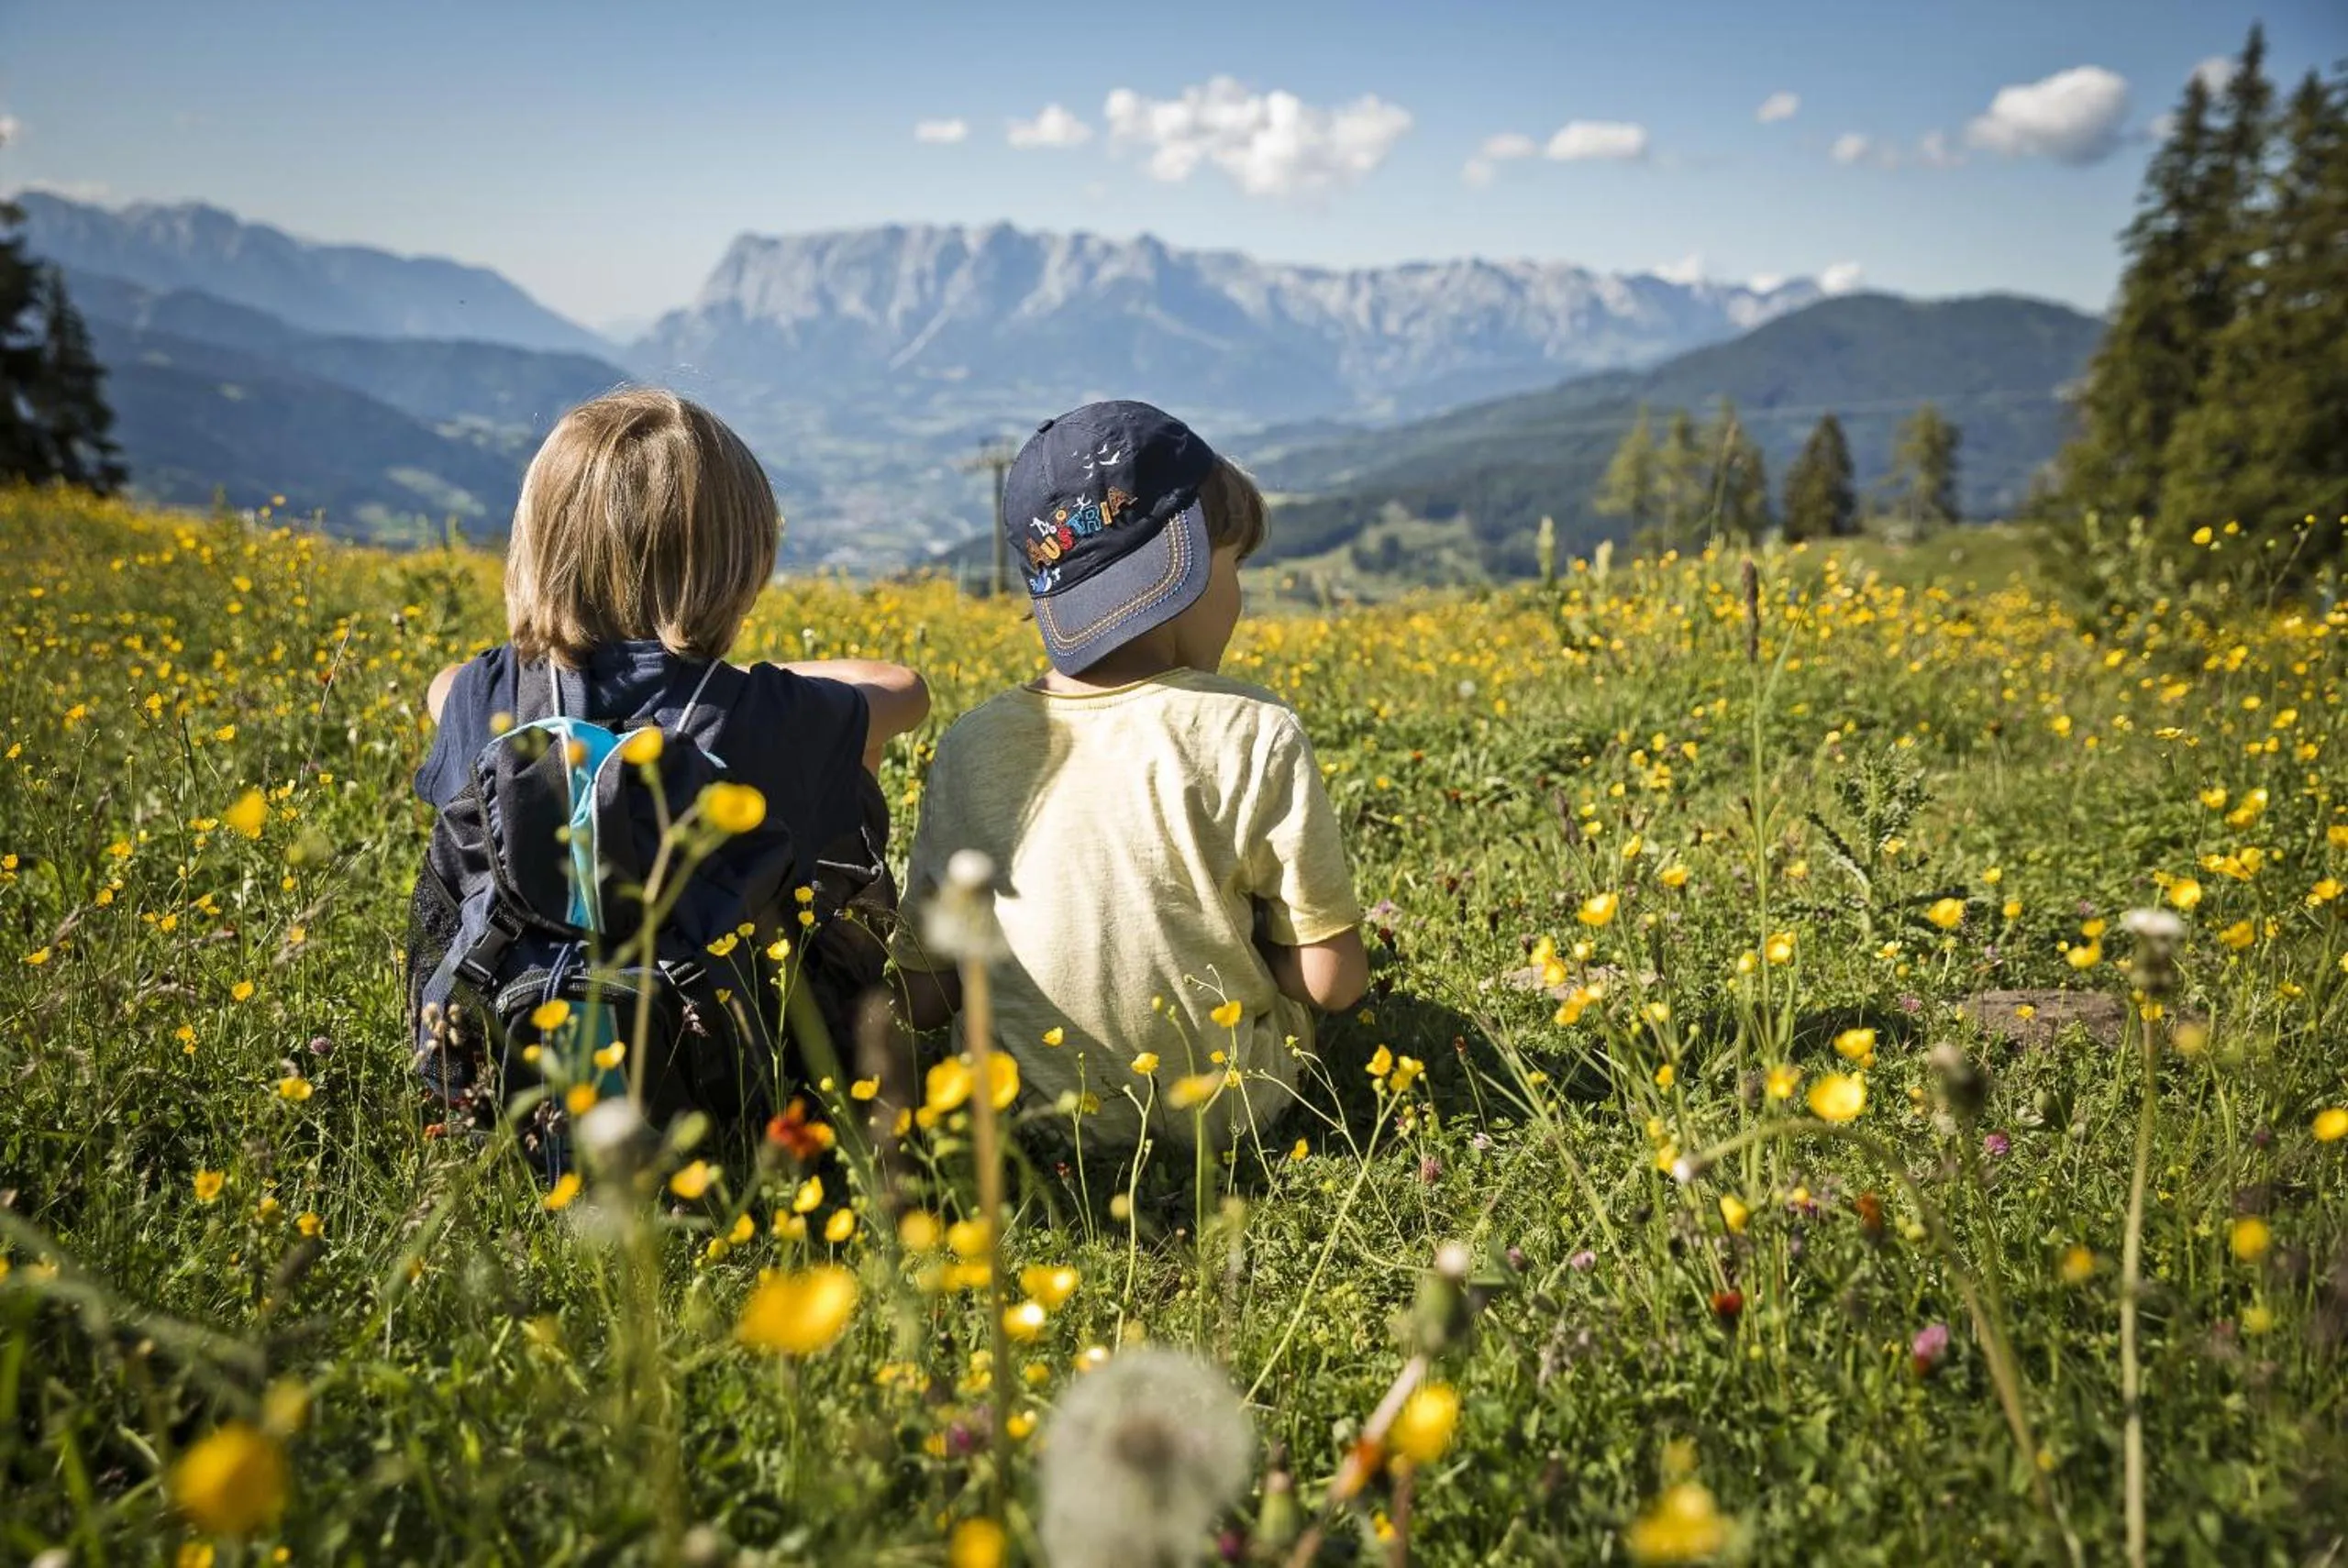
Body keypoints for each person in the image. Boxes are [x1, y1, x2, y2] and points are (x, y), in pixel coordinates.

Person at [413, 388, 928, 1133]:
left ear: (540, 549)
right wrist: (755, 682)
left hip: (500, 1083)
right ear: (740, 564)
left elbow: (440, 688)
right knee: (847, 763)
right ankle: (840, 1036)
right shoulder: (766, 716)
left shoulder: (484, 694)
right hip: (727, 1096)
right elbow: (902, 690)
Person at [892, 400, 1366, 1153]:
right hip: (1229, 1116)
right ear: (1187, 570)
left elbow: (922, 992)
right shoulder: (1254, 729)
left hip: (1022, 1124)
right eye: (1233, 564)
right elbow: (1334, 983)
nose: (1238, 590)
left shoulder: (969, 745)